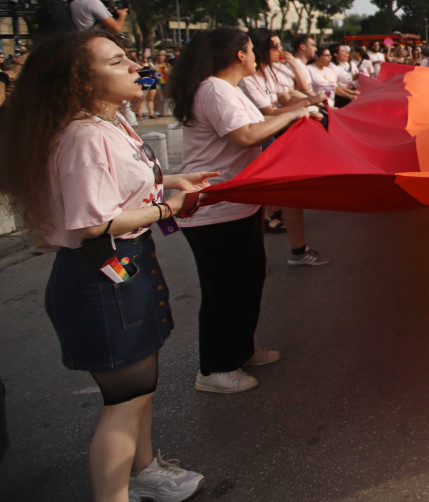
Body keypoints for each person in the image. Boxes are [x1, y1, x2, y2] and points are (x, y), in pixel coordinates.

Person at [0, 29, 210, 501]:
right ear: (79, 80)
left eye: (128, 57)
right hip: (103, 276)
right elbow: (94, 223)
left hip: (127, 267)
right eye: (117, 61)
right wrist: (169, 208)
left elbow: (123, 182)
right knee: (124, 401)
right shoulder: (84, 135)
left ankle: (146, 471)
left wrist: (174, 180)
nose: (136, 66)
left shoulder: (110, 122)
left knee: (140, 390)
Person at [170, 28, 314, 393]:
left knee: (248, 279)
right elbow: (247, 135)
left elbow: (258, 125)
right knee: (224, 289)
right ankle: (214, 368)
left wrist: (297, 112)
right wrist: (295, 115)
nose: (256, 56)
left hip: (237, 204)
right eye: (251, 50)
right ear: (239, 55)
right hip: (213, 208)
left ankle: (240, 349)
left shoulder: (226, 88)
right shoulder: (214, 89)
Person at [240, 29, 330, 266]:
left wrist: (309, 102)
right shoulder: (244, 81)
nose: (281, 51)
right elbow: (269, 112)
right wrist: (305, 105)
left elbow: (286, 98)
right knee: (260, 201)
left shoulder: (270, 73)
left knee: (291, 193)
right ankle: (259, 259)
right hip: (262, 140)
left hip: (273, 136)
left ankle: (297, 250)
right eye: (275, 46)